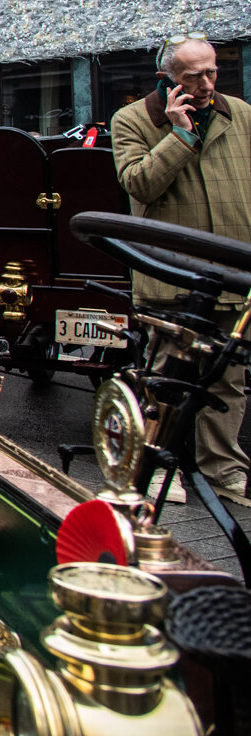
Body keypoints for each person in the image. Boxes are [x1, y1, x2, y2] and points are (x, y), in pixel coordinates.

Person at [112, 37, 251, 506]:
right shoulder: (132, 119)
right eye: (193, 75)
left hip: (232, 271)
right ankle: (152, 466)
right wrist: (179, 134)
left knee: (227, 379)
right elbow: (139, 185)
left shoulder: (240, 114)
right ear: (167, 76)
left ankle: (224, 472)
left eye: (212, 71)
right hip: (171, 275)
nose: (207, 83)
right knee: (164, 376)